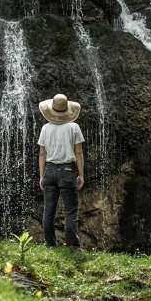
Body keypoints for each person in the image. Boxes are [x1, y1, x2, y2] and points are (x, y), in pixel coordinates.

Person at [37, 93, 85, 248]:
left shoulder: (45, 128)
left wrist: (41, 175)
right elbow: (78, 152)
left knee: (48, 211)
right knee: (71, 211)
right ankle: (73, 247)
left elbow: (42, 153)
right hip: (67, 171)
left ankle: (50, 244)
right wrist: (81, 174)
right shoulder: (74, 127)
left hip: (49, 171)